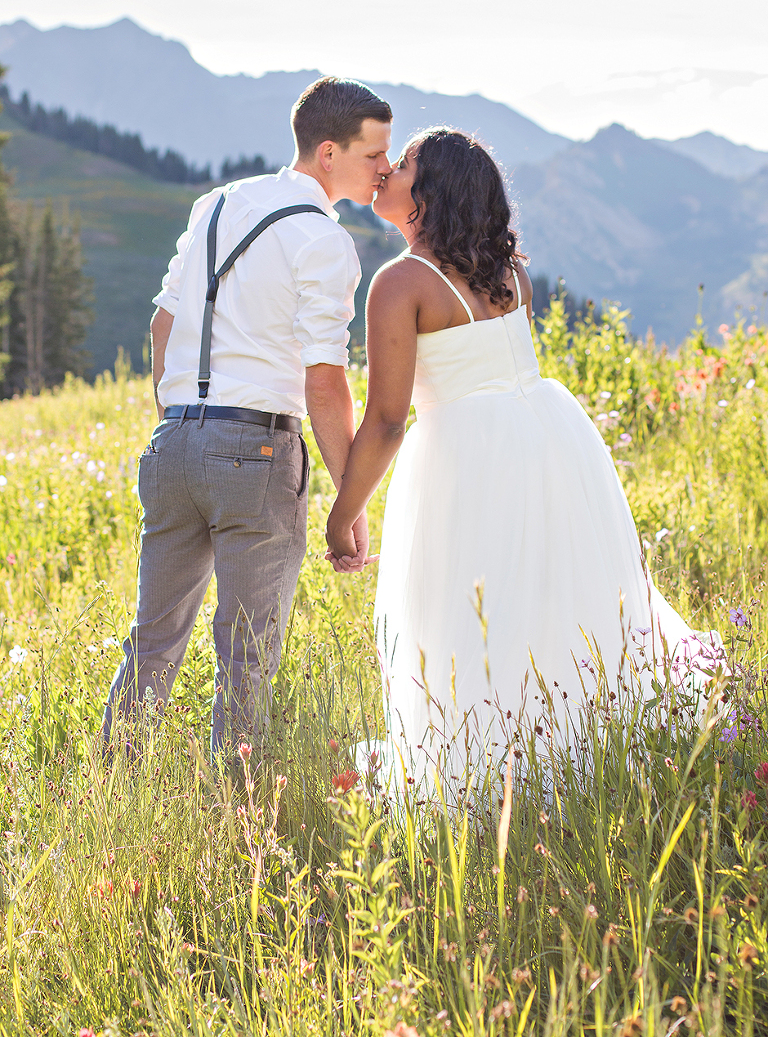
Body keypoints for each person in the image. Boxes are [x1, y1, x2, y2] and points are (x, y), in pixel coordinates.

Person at [325, 127, 721, 788]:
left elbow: (390, 419)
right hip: (548, 442)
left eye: (404, 164)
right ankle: (570, 751)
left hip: (467, 458)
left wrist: (344, 516)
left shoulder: (401, 284)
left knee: (469, 614)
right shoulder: (510, 275)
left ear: (428, 193)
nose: (388, 170)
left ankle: (487, 770)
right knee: (546, 602)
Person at [103, 76, 392, 759]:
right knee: (247, 653)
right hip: (257, 454)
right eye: (374, 154)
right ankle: (240, 816)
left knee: (153, 639)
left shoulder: (217, 203)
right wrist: (350, 503)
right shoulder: (324, 240)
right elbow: (325, 382)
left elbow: (163, 320)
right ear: (329, 153)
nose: (386, 167)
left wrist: (178, 416)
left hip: (173, 441)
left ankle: (108, 790)